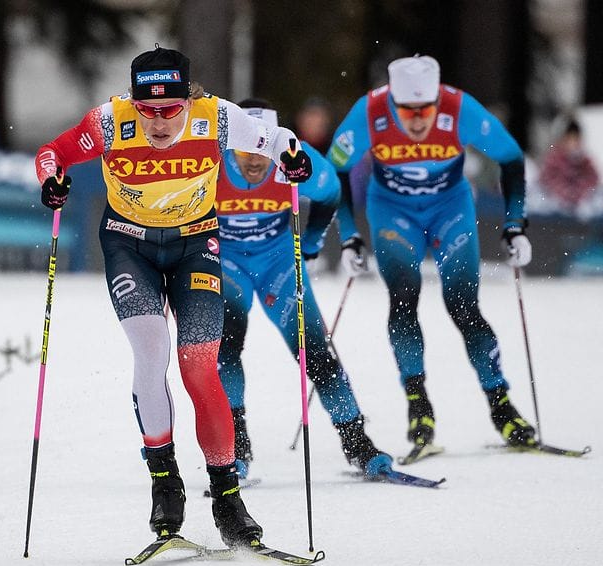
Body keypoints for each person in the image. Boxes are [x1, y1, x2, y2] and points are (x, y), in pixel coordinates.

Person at [34, 45, 311, 548]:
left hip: (194, 245)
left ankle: (229, 498)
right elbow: (54, 151)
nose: (158, 123)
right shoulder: (109, 121)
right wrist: (51, 178)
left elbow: (278, 140)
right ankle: (165, 481)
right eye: (148, 111)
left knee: (199, 365)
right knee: (151, 350)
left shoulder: (218, 117)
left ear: (189, 100)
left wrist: (293, 157)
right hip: (127, 245)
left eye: (170, 110)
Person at [326, 54, 537, 451]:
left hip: (450, 209)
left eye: (427, 109)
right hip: (392, 211)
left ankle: (501, 404)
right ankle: (418, 404)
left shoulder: (459, 107)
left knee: (463, 306)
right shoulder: (370, 111)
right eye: (408, 111)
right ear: (393, 101)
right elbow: (332, 170)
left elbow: (510, 158)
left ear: (439, 98)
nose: (419, 119)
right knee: (404, 301)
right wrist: (350, 235)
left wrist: (515, 224)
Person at [215, 99, 392, 478]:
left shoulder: (293, 156)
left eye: (264, 147)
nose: (256, 159)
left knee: (316, 353)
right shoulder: (210, 162)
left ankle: (357, 442)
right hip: (225, 263)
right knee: (224, 347)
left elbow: (330, 194)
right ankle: (235, 448)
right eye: (246, 149)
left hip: (277, 263)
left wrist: (310, 244)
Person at [539, 118, 599, 215]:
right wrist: (566, 194)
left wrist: (580, 194)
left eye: (576, 139)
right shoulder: (553, 159)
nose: (572, 143)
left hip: (580, 212)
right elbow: (547, 181)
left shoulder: (585, 160)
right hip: (555, 213)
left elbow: (593, 181)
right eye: (569, 139)